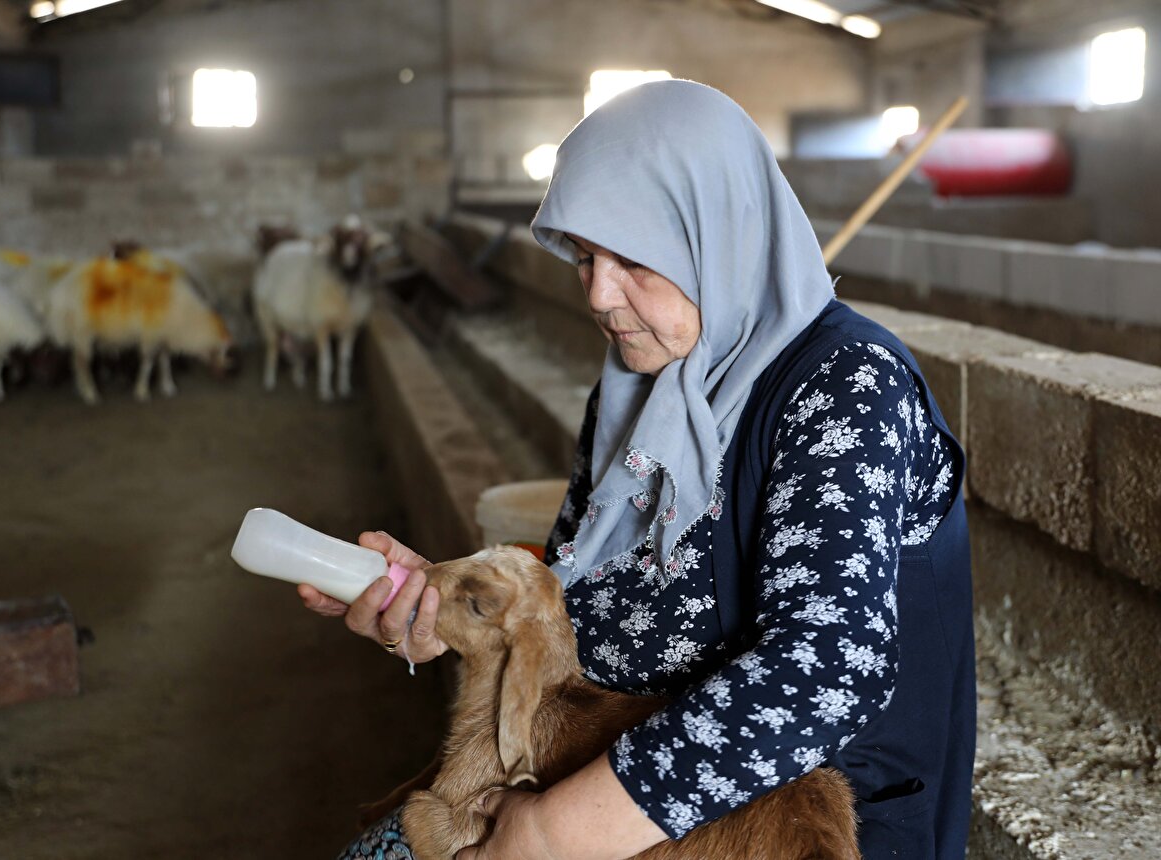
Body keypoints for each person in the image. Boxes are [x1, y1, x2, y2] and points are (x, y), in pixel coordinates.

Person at [304, 79, 976, 859]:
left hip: (795, 832)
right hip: (620, 788)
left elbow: (822, 669)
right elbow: (571, 603)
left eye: (635, 259)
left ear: (716, 235)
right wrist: (445, 607)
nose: (598, 293)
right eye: (586, 256)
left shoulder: (845, 386)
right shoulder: (639, 390)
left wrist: (557, 832)